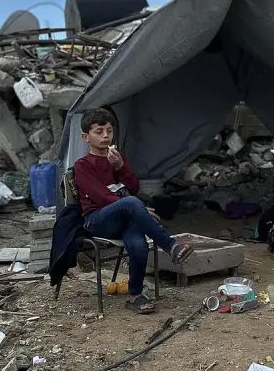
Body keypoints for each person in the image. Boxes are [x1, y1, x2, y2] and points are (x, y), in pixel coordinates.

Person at [73, 108, 194, 314]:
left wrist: (120, 166)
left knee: (138, 245)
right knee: (131, 203)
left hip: (125, 218)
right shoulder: (82, 165)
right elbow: (101, 197)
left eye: (109, 131)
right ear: (86, 137)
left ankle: (135, 295)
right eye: (99, 131)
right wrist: (137, 208)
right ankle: (170, 245)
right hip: (98, 220)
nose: (105, 136)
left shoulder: (115, 158)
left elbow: (134, 187)